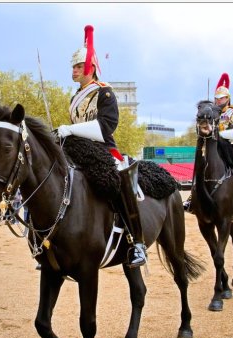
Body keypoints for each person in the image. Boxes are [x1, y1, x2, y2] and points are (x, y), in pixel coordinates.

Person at [56, 25, 147, 267]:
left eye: (77, 66)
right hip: (76, 148)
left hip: (102, 149)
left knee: (121, 181)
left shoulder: (105, 94)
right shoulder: (75, 96)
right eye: (73, 67)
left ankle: (137, 243)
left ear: (90, 68)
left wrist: (70, 128)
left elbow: (105, 127)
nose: (73, 71)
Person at [183, 72, 233, 212]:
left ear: (228, 98)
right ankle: (192, 197)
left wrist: (219, 134)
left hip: (232, 149)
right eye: (216, 98)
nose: (218, 101)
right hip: (213, 148)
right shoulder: (212, 113)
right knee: (199, 165)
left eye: (221, 98)